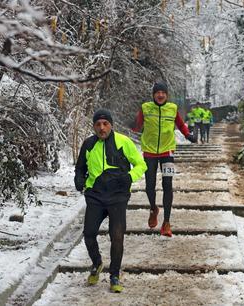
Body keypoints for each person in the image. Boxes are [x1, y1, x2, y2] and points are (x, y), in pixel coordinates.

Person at [74, 109, 147, 293]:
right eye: (98, 124)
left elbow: (141, 165)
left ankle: (114, 275)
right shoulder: (89, 144)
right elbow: (80, 168)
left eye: (105, 124)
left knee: (117, 236)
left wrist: (129, 177)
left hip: (117, 196)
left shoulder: (124, 142)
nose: (102, 128)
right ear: (94, 127)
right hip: (95, 196)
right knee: (89, 233)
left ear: (111, 125)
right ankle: (97, 263)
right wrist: (79, 181)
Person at [132, 82, 196, 237]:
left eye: (163, 93)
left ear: (167, 95)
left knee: (168, 185)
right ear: (153, 95)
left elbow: (181, 125)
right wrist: (129, 126)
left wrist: (188, 135)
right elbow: (136, 126)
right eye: (157, 92)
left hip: (167, 152)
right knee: (149, 186)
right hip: (149, 152)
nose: (160, 95)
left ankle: (166, 223)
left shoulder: (172, 108)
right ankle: (153, 208)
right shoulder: (146, 108)